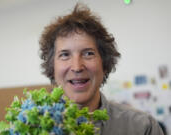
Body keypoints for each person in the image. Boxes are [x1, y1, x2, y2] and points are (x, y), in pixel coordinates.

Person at [39, 3, 164, 135]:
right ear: (52, 67)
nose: (77, 67)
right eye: (65, 55)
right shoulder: (32, 126)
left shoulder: (142, 127)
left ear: (104, 63)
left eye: (88, 53)